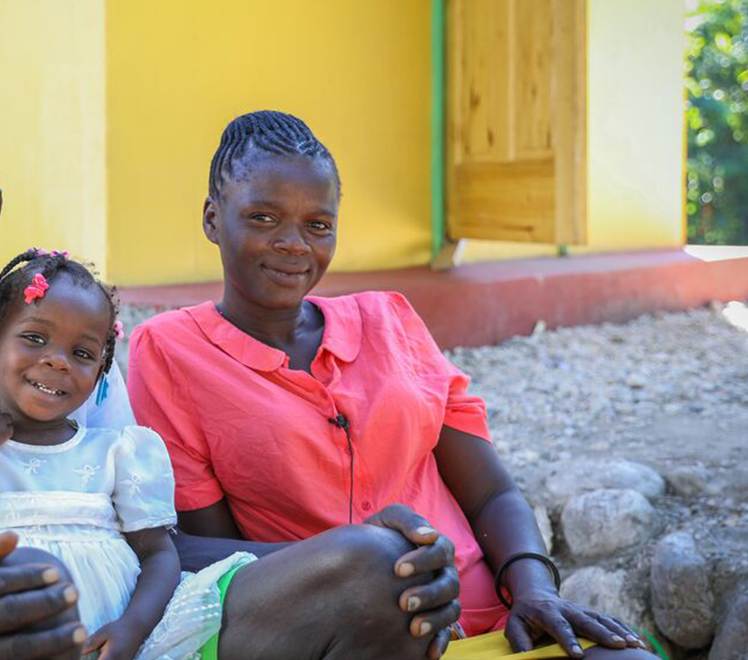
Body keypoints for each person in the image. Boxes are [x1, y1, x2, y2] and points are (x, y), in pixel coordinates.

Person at [0, 94, 463, 660]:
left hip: (110, 634)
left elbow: (137, 542)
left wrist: (356, 551)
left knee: (378, 578)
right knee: (25, 591)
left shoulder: (51, 343)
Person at [127, 110, 658, 659]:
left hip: (489, 625)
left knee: (627, 658)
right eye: (263, 217)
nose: (294, 243)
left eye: (318, 224)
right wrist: (362, 566)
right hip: (345, 632)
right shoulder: (171, 350)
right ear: (213, 219)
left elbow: (492, 491)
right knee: (379, 565)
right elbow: (209, 559)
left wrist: (535, 590)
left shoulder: (390, 319)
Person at [0, 249, 255, 659]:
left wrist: (133, 627)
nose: (57, 361)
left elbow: (159, 554)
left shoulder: (116, 453)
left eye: (82, 354)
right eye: (35, 339)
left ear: (101, 372)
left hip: (102, 643)